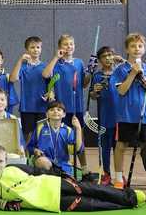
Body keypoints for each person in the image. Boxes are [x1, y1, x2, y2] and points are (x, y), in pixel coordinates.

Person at [0, 145, 145, 213]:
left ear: (6, 161)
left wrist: (60, 175)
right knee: (90, 204)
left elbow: (37, 172)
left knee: (91, 189)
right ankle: (125, 205)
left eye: (1, 161)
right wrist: (6, 205)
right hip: (49, 202)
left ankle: (128, 196)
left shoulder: (13, 168)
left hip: (52, 184)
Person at [112, 33, 146, 189]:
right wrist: (132, 73)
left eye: (140, 46)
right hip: (125, 115)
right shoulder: (120, 69)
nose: (137, 49)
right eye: (133, 46)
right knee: (121, 145)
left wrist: (144, 78)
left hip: (144, 116)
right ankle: (118, 178)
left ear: (144, 49)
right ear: (127, 49)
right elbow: (121, 91)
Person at [42, 34, 90, 172]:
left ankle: (84, 168)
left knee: (79, 137)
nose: (69, 47)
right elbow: (45, 75)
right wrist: (56, 57)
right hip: (60, 109)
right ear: (60, 47)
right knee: (61, 138)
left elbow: (84, 84)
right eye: (65, 44)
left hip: (77, 107)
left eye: (71, 44)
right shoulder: (56, 63)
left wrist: (90, 73)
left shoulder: (79, 63)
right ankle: (65, 166)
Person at [89, 46, 119, 185]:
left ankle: (119, 175)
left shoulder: (121, 73)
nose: (107, 58)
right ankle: (106, 174)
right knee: (104, 148)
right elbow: (92, 96)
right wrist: (95, 92)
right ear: (100, 60)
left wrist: (122, 62)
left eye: (110, 55)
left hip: (119, 118)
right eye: (104, 56)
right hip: (104, 118)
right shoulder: (97, 76)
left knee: (118, 148)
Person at [28, 101, 83, 176]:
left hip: (63, 165)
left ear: (64, 114)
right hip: (45, 161)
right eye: (51, 110)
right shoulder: (40, 128)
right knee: (42, 162)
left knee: (64, 179)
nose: (55, 111)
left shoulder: (68, 130)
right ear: (47, 114)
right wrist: (35, 150)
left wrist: (78, 129)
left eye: (59, 110)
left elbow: (77, 149)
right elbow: (30, 147)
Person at [9, 36, 48, 142]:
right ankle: (28, 153)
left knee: (42, 135)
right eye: (32, 47)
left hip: (42, 107)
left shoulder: (45, 66)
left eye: (38, 47)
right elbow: (12, 79)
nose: (35, 50)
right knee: (28, 136)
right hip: (27, 107)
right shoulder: (23, 66)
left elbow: (51, 85)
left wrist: (50, 94)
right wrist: (20, 60)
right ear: (27, 50)